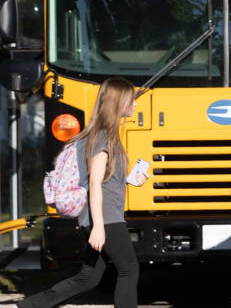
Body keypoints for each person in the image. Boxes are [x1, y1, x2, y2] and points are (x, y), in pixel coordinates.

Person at [19, 77, 148, 308]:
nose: (135, 105)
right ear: (118, 103)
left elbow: (102, 179)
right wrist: (98, 226)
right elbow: (95, 184)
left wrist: (130, 180)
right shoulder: (103, 137)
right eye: (131, 100)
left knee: (88, 278)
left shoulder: (101, 136)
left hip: (100, 217)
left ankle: (29, 306)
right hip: (106, 219)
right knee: (129, 269)